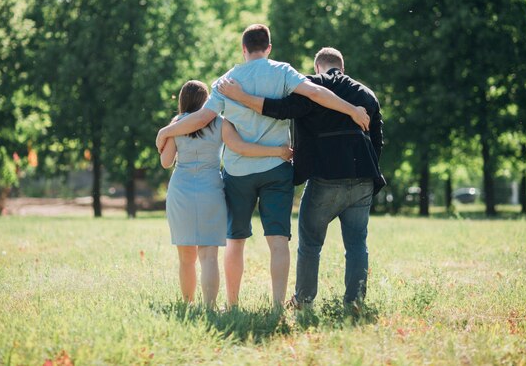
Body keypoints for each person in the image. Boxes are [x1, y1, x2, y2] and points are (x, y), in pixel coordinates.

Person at [156, 24, 370, 308]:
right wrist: (352, 109)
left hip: (238, 173)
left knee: (235, 240)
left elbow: (201, 118)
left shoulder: (226, 81)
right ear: (269, 47)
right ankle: (278, 305)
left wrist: (165, 132)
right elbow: (317, 93)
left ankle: (232, 304)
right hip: (277, 167)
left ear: (243, 49)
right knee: (278, 240)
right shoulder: (283, 71)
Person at [218, 47, 385, 309]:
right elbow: (377, 142)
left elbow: (279, 109)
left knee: (310, 244)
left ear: (317, 66)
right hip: (363, 177)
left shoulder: (311, 86)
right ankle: (355, 302)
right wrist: (370, 178)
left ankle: (304, 300)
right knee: (356, 245)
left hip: (324, 177)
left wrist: (240, 96)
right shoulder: (367, 94)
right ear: (343, 67)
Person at [160, 80, 292, 308]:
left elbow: (165, 162)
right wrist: (277, 151)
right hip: (211, 189)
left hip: (181, 191)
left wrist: (162, 138)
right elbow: (241, 147)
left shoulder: (175, 125)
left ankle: (188, 304)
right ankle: (210, 307)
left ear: (182, 101)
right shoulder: (220, 123)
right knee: (208, 256)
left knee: (186, 258)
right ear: (205, 101)